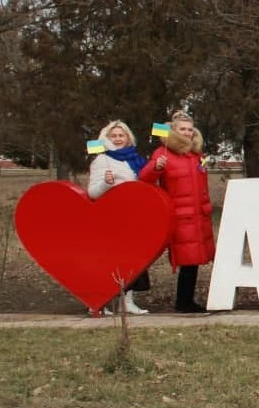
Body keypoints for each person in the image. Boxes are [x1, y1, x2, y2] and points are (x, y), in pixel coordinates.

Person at [139, 111, 213, 313]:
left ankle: (186, 299)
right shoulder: (162, 153)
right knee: (188, 258)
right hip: (180, 215)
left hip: (199, 215)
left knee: (195, 259)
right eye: (182, 129)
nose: (187, 133)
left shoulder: (197, 155)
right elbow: (144, 178)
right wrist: (156, 167)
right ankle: (184, 301)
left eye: (190, 129)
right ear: (173, 130)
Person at [87, 120, 151, 314]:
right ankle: (98, 302)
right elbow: (92, 192)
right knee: (109, 261)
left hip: (132, 216)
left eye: (121, 135)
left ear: (127, 137)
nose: (117, 139)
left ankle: (127, 301)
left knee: (132, 260)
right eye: (113, 136)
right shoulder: (101, 160)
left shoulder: (135, 160)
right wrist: (106, 183)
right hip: (111, 217)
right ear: (106, 138)